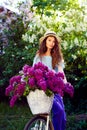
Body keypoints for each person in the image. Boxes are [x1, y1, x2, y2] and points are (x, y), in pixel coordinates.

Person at [33, 30, 67, 130]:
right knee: (53, 112)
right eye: (49, 40)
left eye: (53, 41)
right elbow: (33, 71)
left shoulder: (57, 57)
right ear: (45, 41)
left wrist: (65, 84)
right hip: (42, 89)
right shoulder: (39, 56)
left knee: (61, 114)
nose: (51, 43)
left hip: (55, 88)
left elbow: (61, 73)